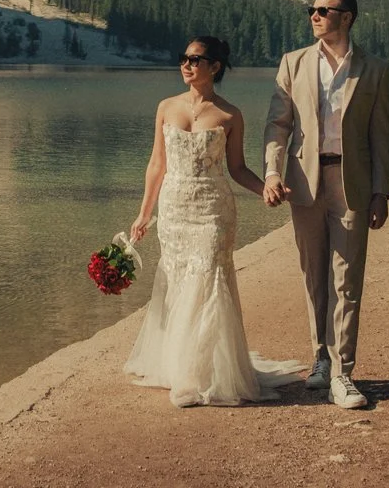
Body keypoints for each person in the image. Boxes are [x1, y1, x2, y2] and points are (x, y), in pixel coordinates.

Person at [124, 36, 305, 406]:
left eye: (196, 59)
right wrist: (145, 213)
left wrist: (266, 189)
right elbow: (157, 164)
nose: (186, 65)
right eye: (183, 58)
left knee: (208, 281)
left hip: (213, 210)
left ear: (215, 67)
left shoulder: (230, 115)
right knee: (178, 282)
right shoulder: (166, 107)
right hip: (174, 210)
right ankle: (182, 368)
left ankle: (196, 378)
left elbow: (237, 169)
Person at [262, 0, 389, 410]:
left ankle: (343, 373)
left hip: (351, 183)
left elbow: (381, 137)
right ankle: (320, 356)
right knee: (313, 274)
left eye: (323, 10)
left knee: (347, 280)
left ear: (347, 17)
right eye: (311, 10)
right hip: (304, 182)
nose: (314, 16)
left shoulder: (373, 69)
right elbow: (278, 125)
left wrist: (381, 192)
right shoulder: (293, 63)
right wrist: (271, 172)